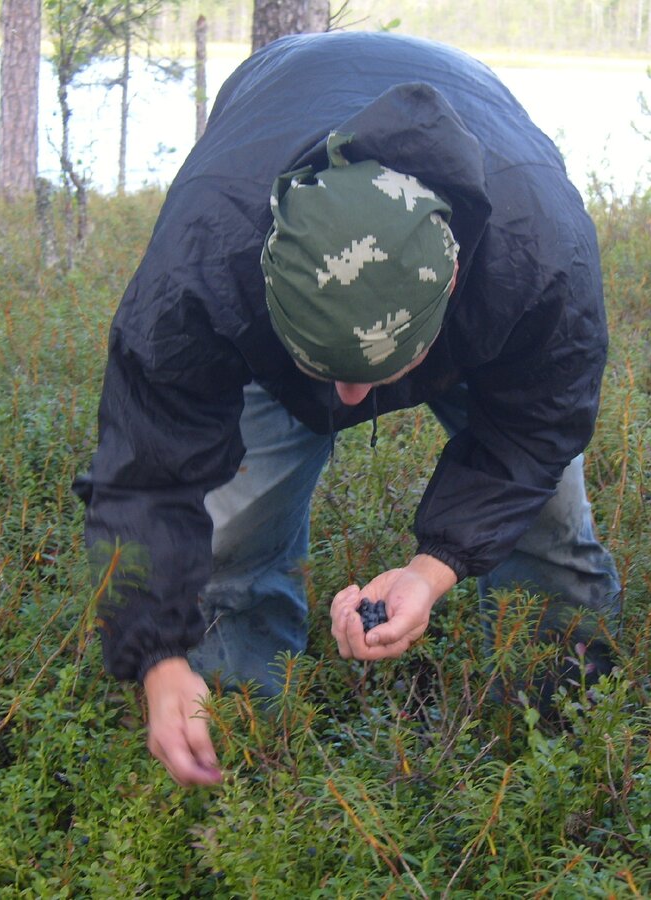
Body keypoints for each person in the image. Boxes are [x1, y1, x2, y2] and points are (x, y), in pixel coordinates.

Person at [74, 31, 620, 788]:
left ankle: (560, 739)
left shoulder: (537, 261)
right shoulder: (206, 262)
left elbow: (534, 431)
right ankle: (243, 747)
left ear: (452, 285)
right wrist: (158, 657)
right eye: (320, 371)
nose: (347, 406)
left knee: (551, 536)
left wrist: (432, 571)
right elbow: (145, 468)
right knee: (231, 543)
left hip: (485, 259)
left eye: (376, 375)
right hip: (270, 130)